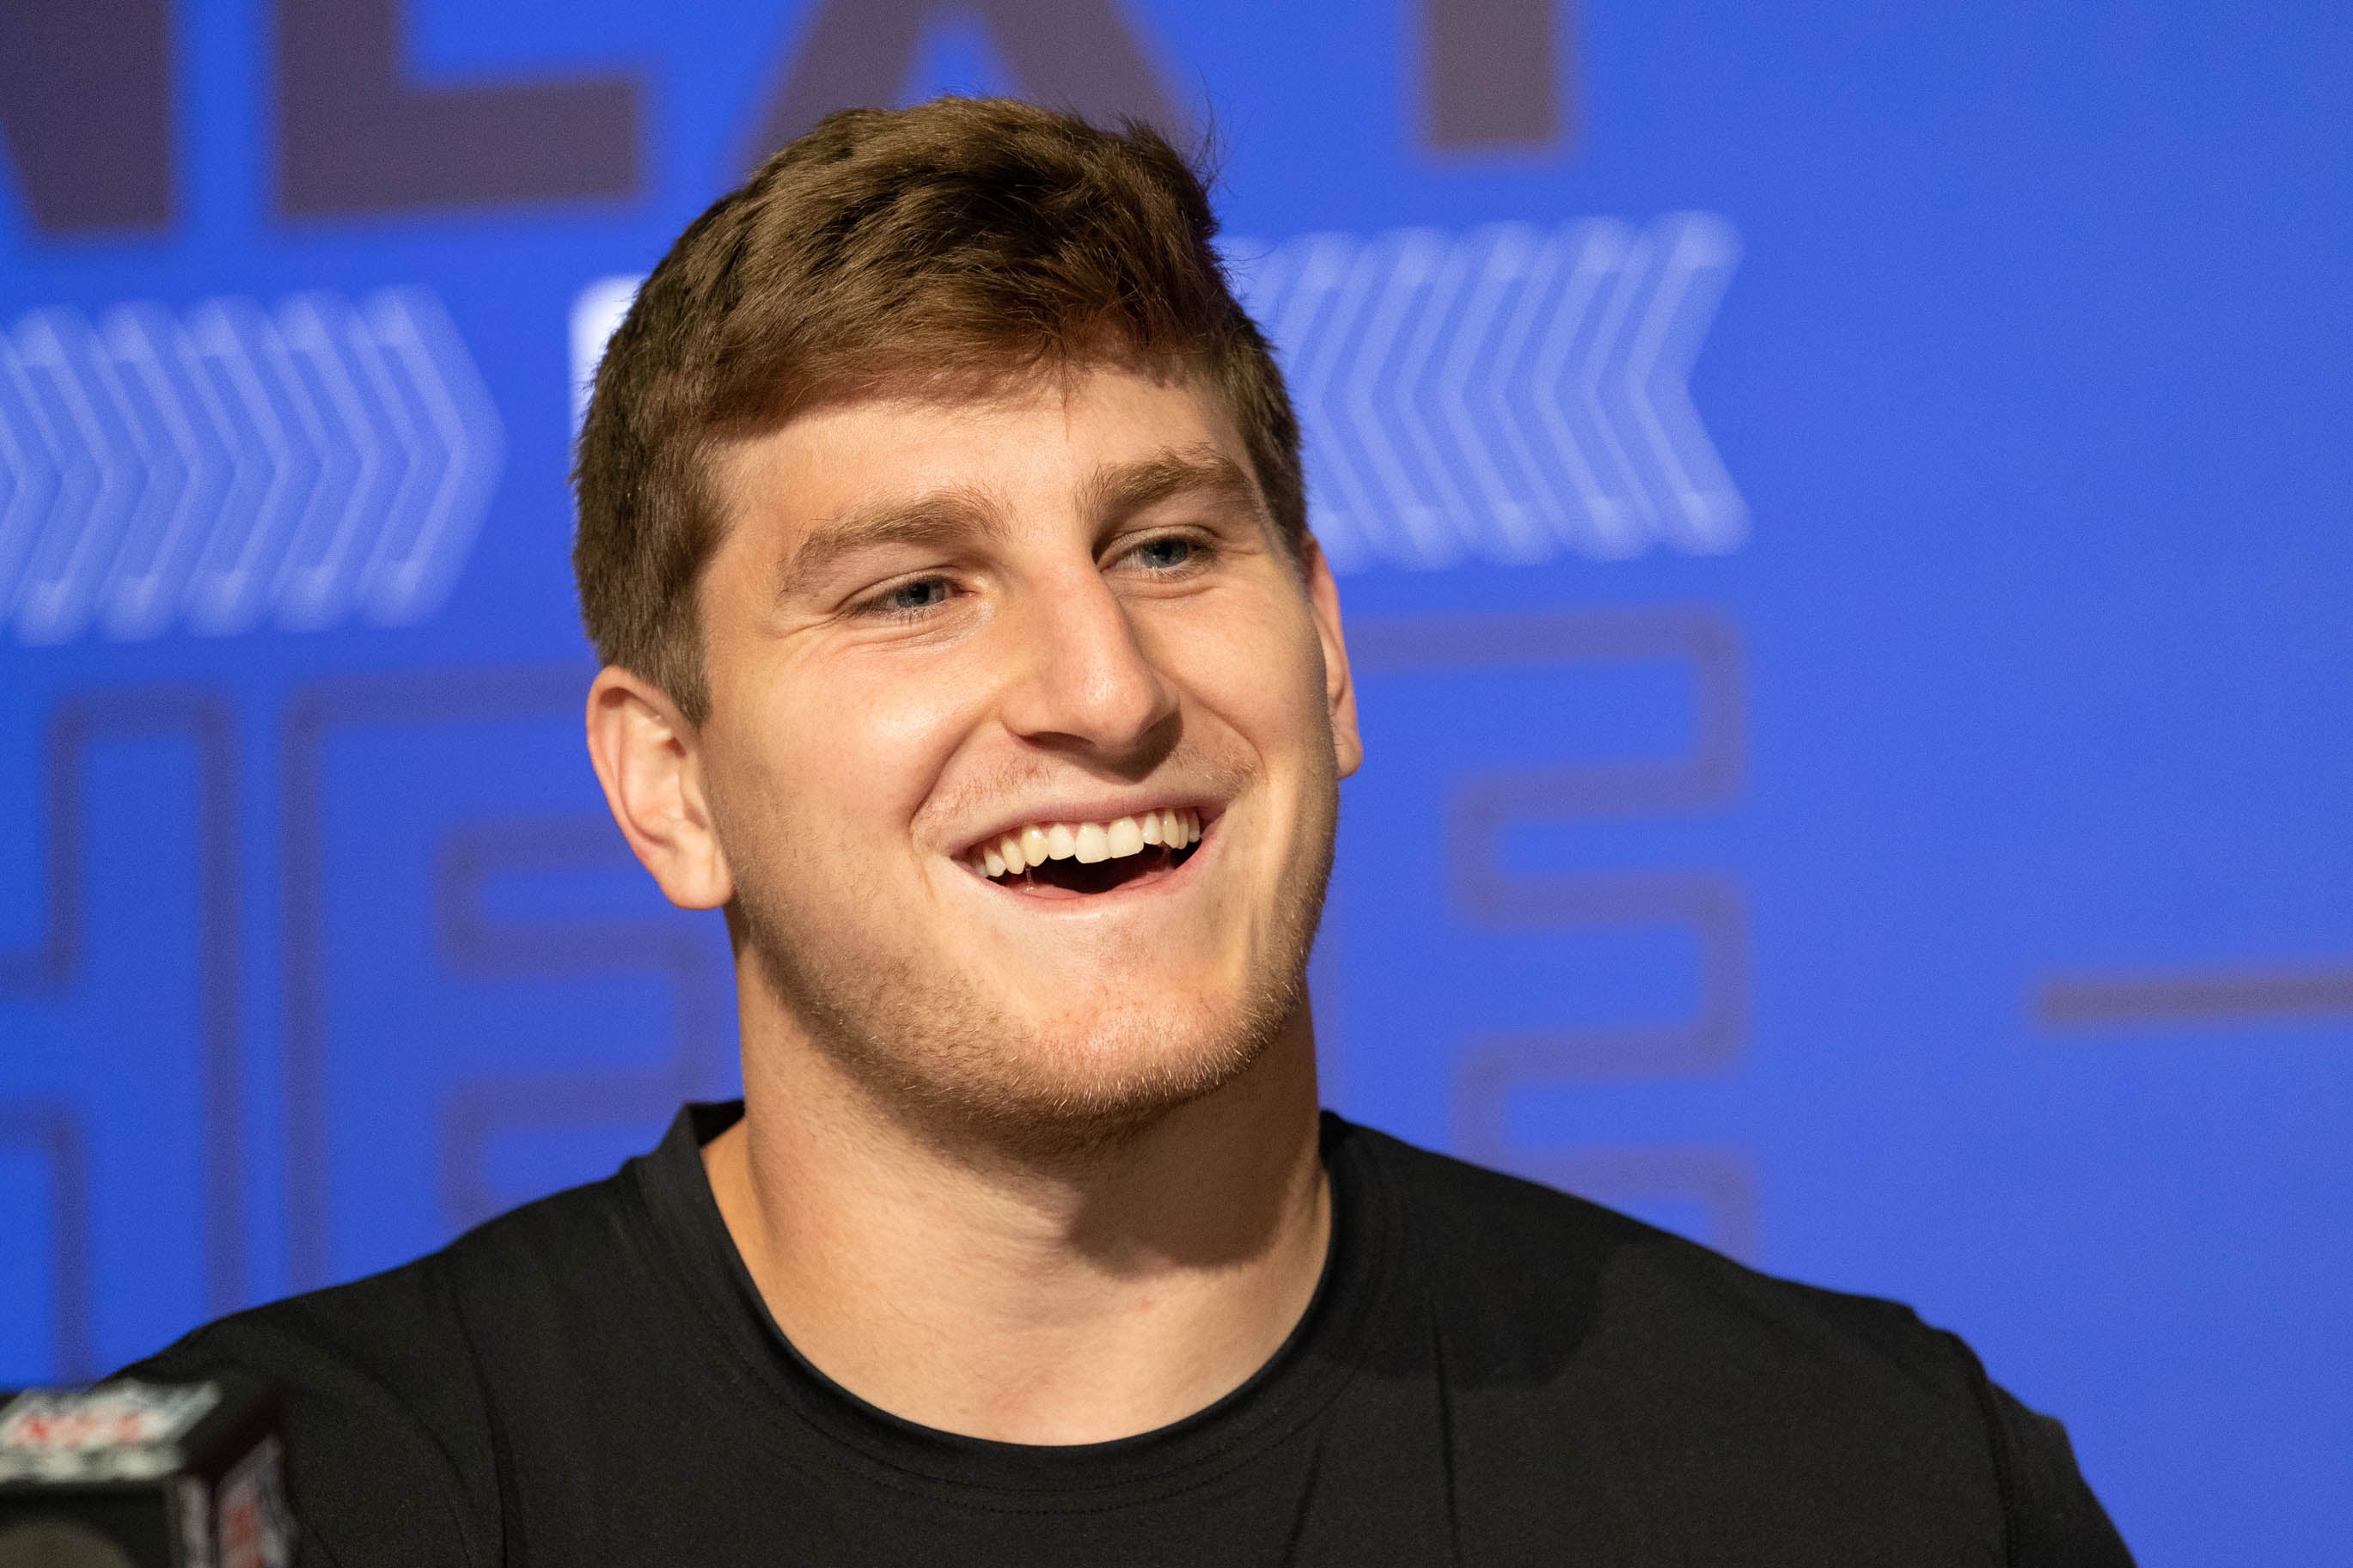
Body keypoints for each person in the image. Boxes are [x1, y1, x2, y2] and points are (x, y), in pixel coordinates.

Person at [128, 97, 2134, 1565]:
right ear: (669, 785)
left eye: (1168, 545)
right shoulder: (284, 1510)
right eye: (915, 586)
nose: (1102, 689)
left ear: (1329, 656)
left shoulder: (1857, 1488)